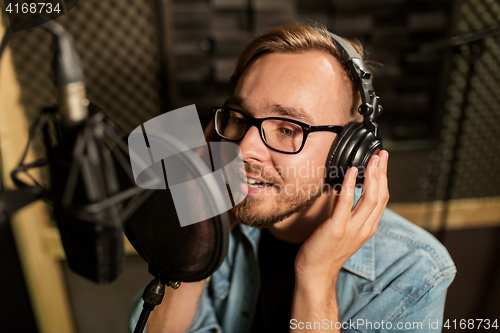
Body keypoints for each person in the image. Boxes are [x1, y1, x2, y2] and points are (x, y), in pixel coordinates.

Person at [129, 23, 456, 333]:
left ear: (348, 152)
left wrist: (317, 276)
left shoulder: (412, 269)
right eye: (240, 118)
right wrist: (200, 235)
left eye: (288, 129)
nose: (244, 149)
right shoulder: (211, 216)